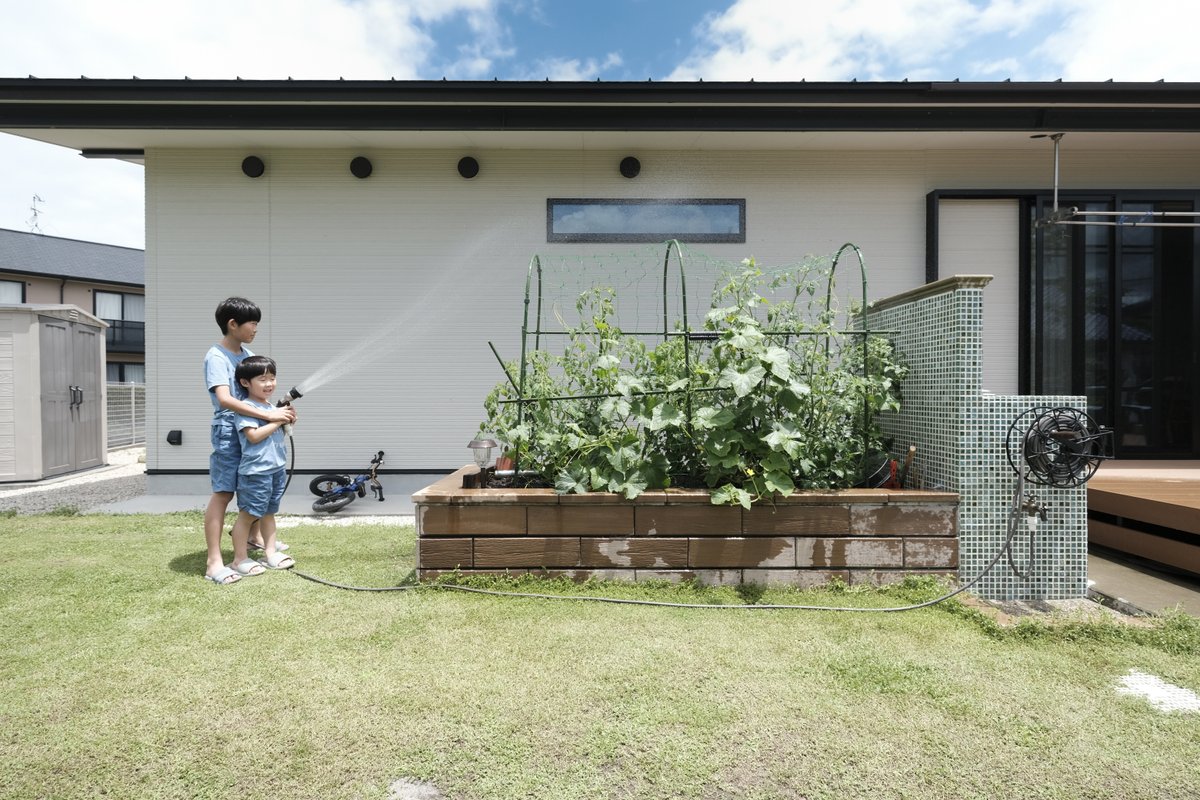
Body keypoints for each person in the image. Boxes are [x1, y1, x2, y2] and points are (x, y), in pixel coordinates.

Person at [203, 298, 295, 585]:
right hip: (230, 431)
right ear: (233, 324)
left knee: (258, 486)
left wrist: (275, 413)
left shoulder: (247, 354)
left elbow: (256, 394)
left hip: (255, 424)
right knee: (224, 493)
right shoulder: (217, 357)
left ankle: (255, 540)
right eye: (252, 323)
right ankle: (214, 561)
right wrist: (270, 417)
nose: (256, 329)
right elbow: (225, 398)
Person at [228, 355, 296, 574]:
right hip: (256, 472)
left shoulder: (268, 406)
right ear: (245, 382)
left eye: (272, 378)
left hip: (276, 469)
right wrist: (276, 420)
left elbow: (276, 433)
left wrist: (287, 420)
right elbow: (253, 436)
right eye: (263, 379)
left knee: (268, 513)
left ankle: (270, 554)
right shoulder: (246, 407)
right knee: (248, 515)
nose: (269, 384)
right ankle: (239, 559)